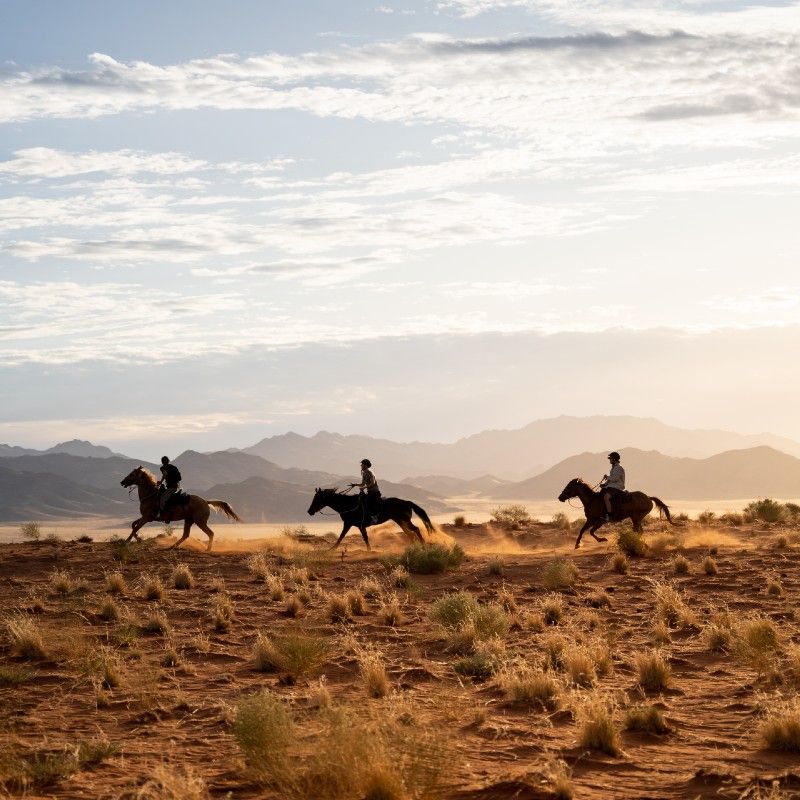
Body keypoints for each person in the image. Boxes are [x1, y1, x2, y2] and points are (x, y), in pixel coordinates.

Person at [350, 458, 381, 524]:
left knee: (368, 501)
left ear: (365, 465)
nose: (361, 466)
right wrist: (355, 485)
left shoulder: (370, 472)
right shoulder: (364, 473)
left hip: (374, 491)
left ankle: (375, 516)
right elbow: (362, 484)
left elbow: (372, 483)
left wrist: (364, 487)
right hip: (370, 491)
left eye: (362, 464)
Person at [600, 451, 625, 522]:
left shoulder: (619, 468)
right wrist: (604, 484)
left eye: (610, 458)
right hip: (612, 486)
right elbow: (611, 479)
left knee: (606, 497)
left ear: (614, 459)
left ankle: (610, 516)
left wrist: (607, 477)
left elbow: (614, 478)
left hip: (617, 487)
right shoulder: (614, 468)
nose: (610, 460)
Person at [157, 456, 182, 521]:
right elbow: (164, 475)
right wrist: (161, 482)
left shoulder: (163, 468)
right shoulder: (173, 467)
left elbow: (165, 475)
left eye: (163, 461)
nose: (163, 462)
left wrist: (161, 482)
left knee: (162, 498)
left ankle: (163, 515)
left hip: (172, 487)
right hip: (172, 486)